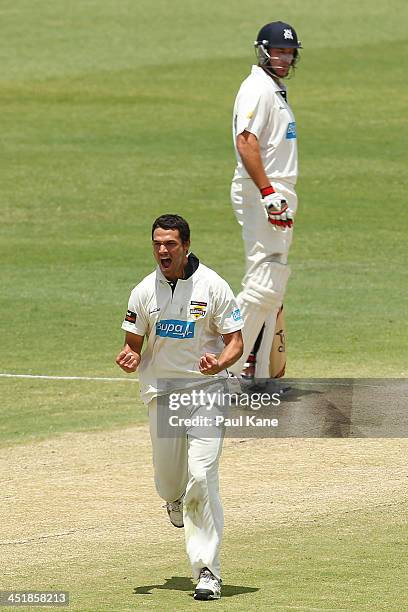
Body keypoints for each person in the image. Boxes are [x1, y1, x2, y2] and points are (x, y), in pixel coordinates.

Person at [116, 214, 243, 601]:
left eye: (170, 243)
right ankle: (173, 497)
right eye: (157, 243)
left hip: (206, 391)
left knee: (202, 477)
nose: (162, 250)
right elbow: (133, 344)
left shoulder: (213, 286)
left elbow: (235, 340)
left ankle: (207, 571)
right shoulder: (143, 291)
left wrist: (220, 363)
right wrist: (129, 357)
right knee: (171, 483)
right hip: (164, 393)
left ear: (185, 245)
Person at [229, 20, 302, 380]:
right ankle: (221, 366)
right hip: (263, 192)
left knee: (273, 283)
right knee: (262, 283)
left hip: (278, 192)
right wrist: (269, 194)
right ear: (262, 51)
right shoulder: (256, 88)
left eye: (290, 52)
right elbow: (246, 141)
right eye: (278, 51)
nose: (284, 58)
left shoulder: (275, 89)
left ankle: (253, 373)